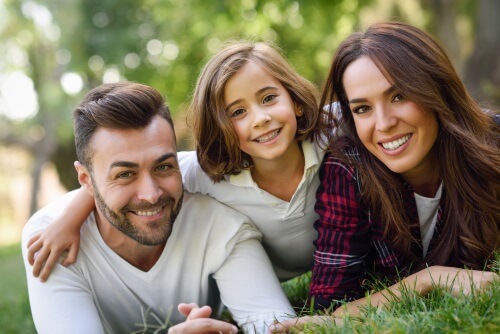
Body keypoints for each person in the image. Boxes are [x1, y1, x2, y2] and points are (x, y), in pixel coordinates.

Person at [26, 41, 326, 282]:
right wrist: (69, 221)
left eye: (269, 98)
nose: (261, 119)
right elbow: (125, 177)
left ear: (296, 101)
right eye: (237, 112)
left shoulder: (333, 135)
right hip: (259, 276)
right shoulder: (205, 174)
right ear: (218, 126)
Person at [270, 21, 499, 332]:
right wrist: (427, 279)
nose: (384, 123)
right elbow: (329, 309)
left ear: (435, 87)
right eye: (362, 108)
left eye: (399, 95)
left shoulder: (491, 145)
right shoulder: (348, 169)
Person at [21, 82, 295, 334]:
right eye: (125, 174)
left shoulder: (221, 225)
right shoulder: (50, 240)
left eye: (163, 167)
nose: (151, 195)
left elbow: (275, 326)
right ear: (86, 181)